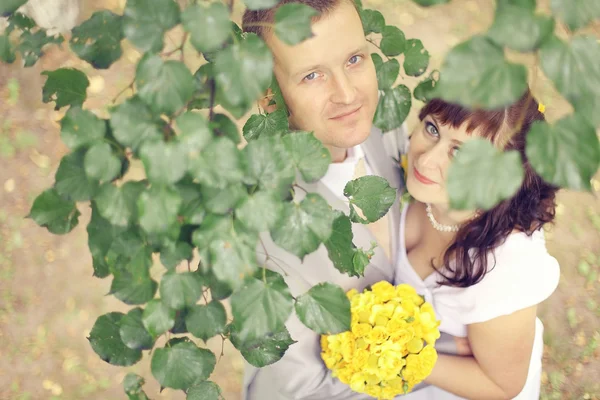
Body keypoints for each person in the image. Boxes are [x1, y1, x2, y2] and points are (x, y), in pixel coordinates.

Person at [240, 0, 459, 398]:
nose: (348, 94)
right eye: (311, 76)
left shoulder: (378, 127)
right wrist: (430, 366)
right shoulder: (261, 237)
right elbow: (289, 393)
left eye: (355, 59)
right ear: (269, 98)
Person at [396, 91, 560, 399]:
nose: (426, 160)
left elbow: (502, 384)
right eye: (432, 128)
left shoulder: (506, 268)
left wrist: (404, 354)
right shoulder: (412, 188)